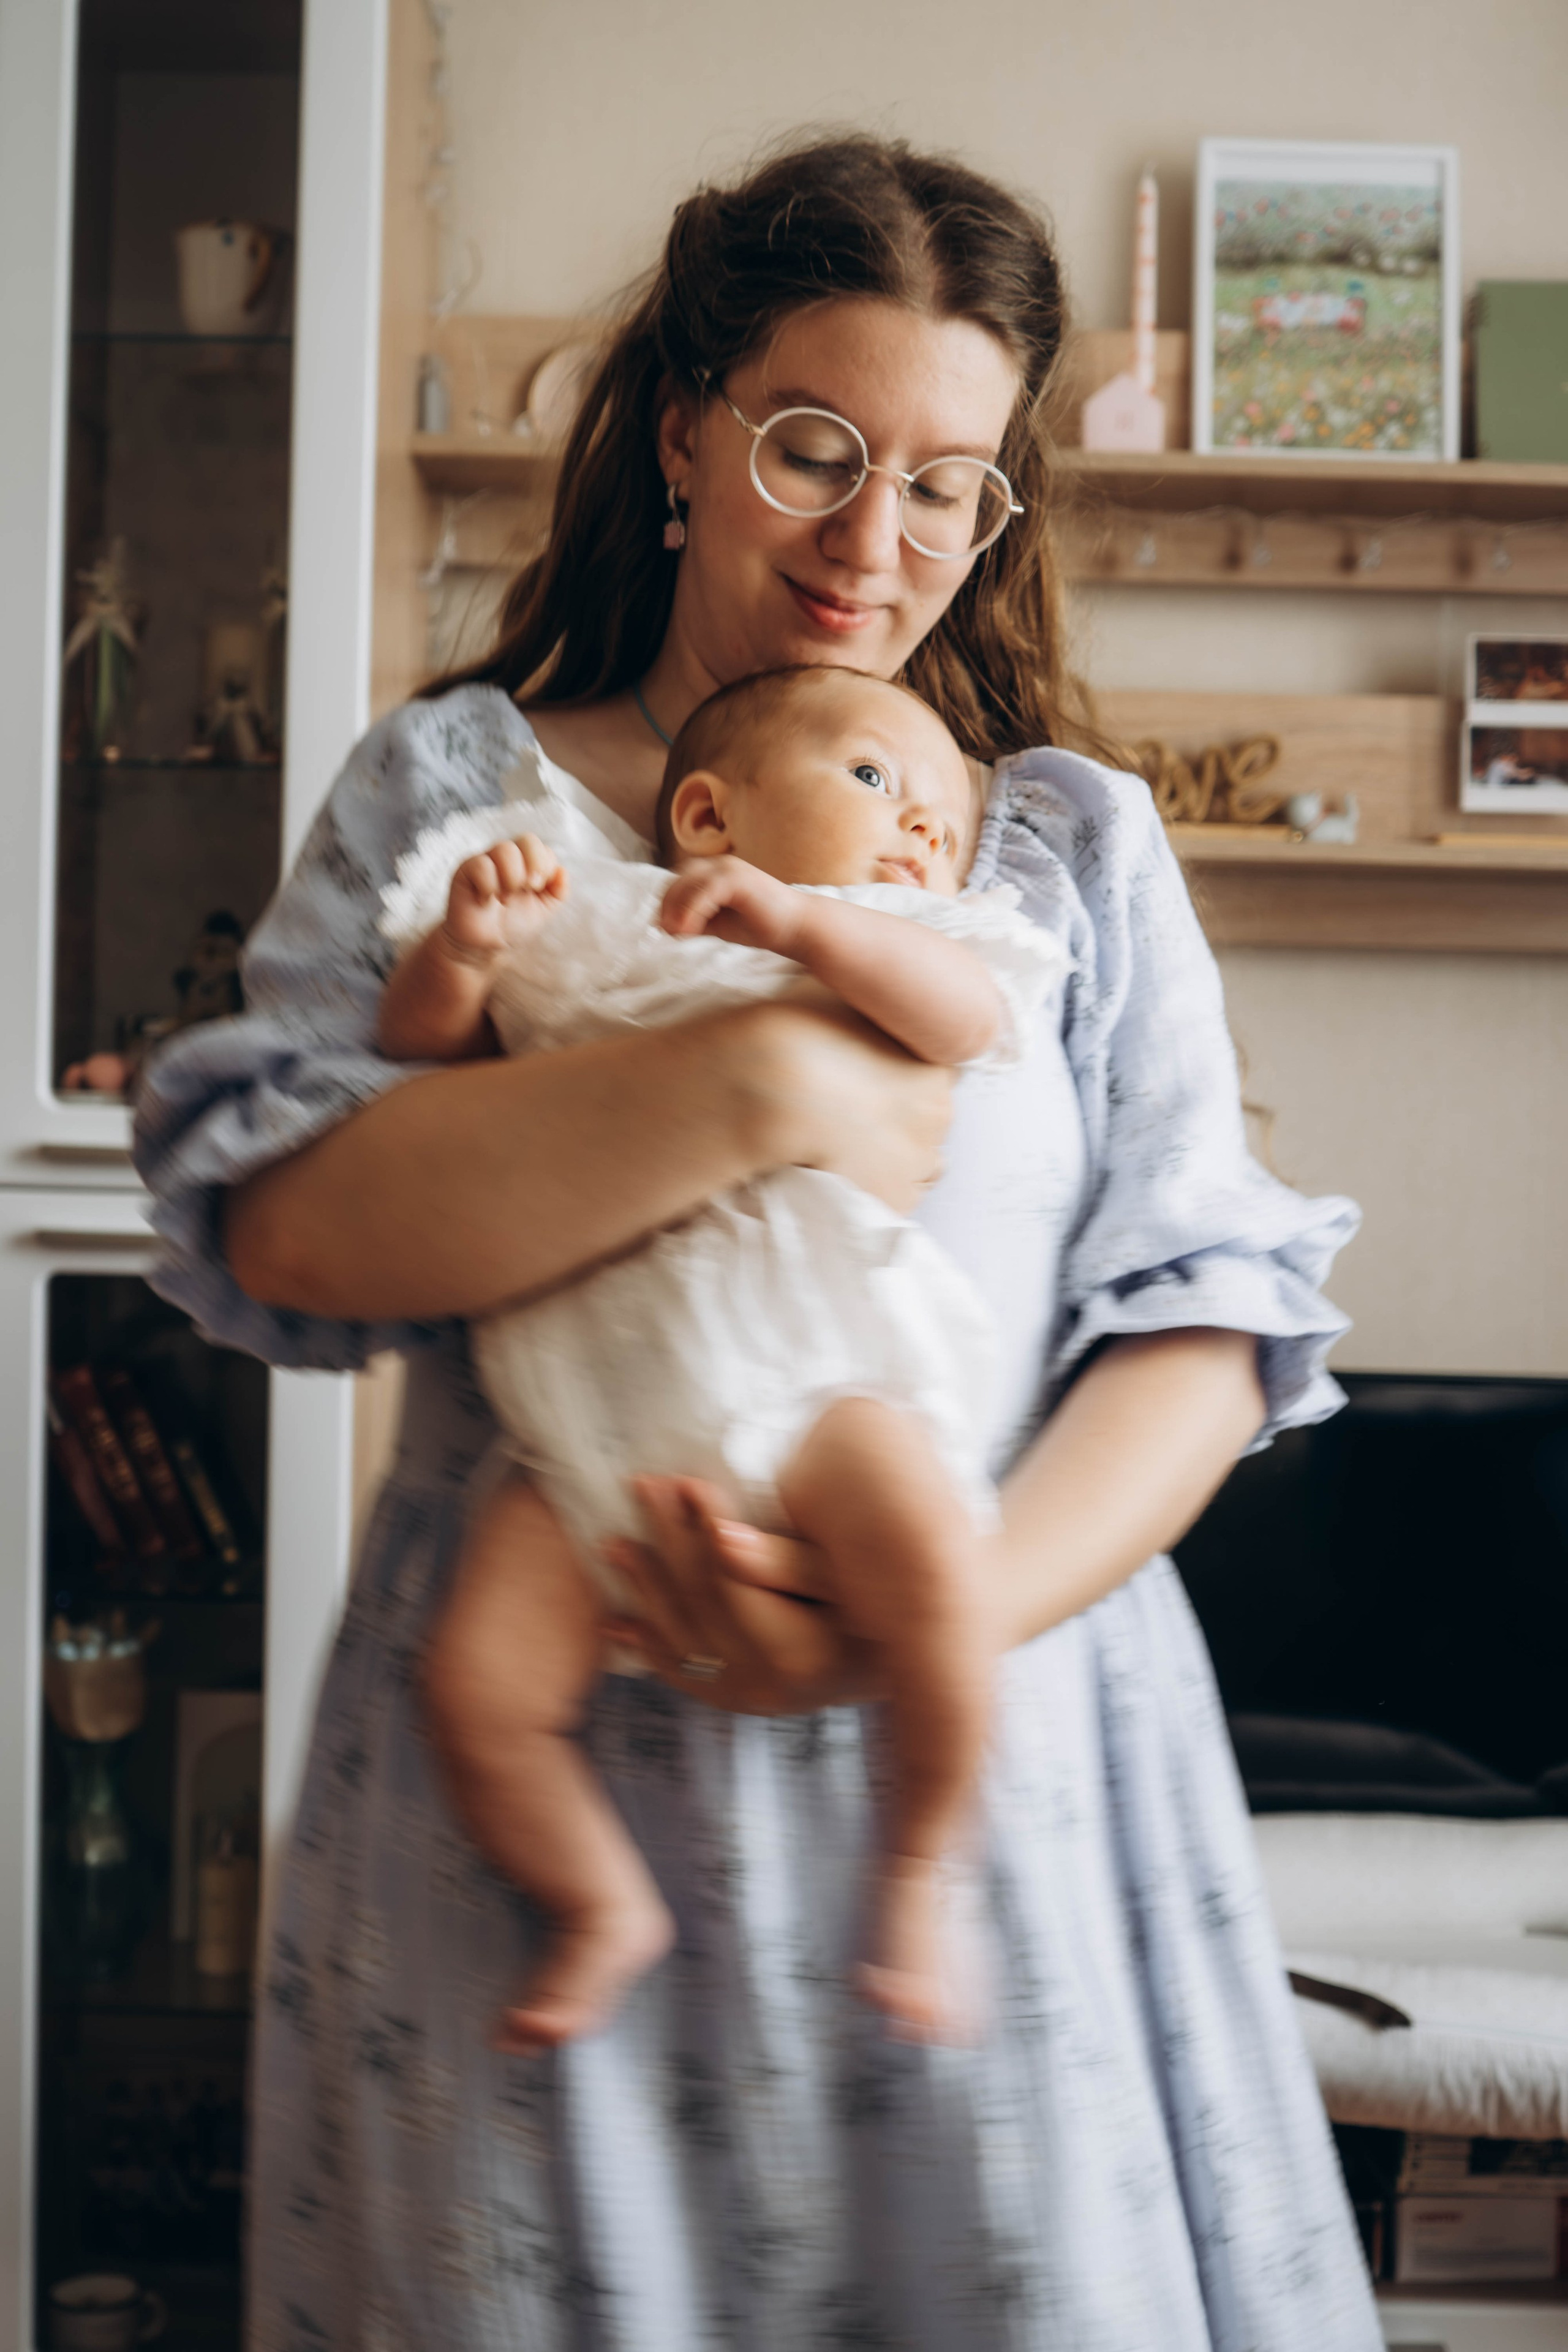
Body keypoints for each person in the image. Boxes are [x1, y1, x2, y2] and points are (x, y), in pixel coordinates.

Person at [135, 132, 1382, 2351]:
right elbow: (293, 1224)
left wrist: (918, 1621)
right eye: (816, 444)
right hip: (522, 1821)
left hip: (988, 1765)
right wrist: (769, 1087)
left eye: (945, 483)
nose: (869, 538)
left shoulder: (1057, 850)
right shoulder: (461, 797)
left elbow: (1204, 1326)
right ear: (690, 427)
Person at [376, 663, 1061, 2052]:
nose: (922, 827)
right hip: (590, 1409)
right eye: (877, 779)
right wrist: (460, 953)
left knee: (938, 1577)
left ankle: (919, 1864)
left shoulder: (901, 933)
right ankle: (594, 1902)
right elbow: (417, 1063)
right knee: (478, 1685)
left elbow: (968, 1022)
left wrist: (813, 921)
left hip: (810, 1361)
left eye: (942, 811)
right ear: (705, 811)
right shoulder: (585, 902)